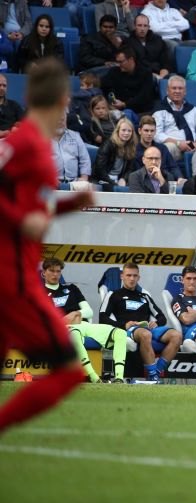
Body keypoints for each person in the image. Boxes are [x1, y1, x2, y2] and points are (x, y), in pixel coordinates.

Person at [0, 58, 96, 434]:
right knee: (70, 371)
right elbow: (24, 215)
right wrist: (20, 221)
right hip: (14, 280)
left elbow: (32, 208)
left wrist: (73, 204)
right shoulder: (24, 143)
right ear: (63, 98)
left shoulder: (26, 143)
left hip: (12, 271)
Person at [42, 258, 127, 384]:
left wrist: (76, 313)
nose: (55, 274)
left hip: (83, 324)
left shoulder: (71, 288)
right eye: (51, 271)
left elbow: (89, 311)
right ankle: (94, 377)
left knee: (121, 333)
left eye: (58, 271)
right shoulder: (39, 293)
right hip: (62, 328)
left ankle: (119, 377)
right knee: (74, 334)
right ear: (43, 273)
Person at [99, 262, 182, 382]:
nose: (132, 279)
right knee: (145, 334)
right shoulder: (113, 295)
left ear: (138, 277)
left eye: (134, 276)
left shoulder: (144, 296)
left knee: (177, 336)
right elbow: (102, 317)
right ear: (122, 276)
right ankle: (153, 375)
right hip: (129, 329)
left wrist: (157, 323)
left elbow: (162, 317)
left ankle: (156, 373)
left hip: (148, 329)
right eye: (128, 275)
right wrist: (123, 325)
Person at [153, 75, 196, 161]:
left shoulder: (193, 109)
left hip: (193, 146)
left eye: (180, 88)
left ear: (185, 91)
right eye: (174, 88)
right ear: (167, 90)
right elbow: (156, 135)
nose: (177, 91)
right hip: (173, 146)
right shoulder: (159, 109)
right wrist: (178, 143)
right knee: (166, 148)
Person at [102, 47, 154, 117]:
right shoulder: (114, 72)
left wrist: (124, 104)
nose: (118, 65)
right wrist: (111, 102)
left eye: (121, 62)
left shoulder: (146, 73)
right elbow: (104, 86)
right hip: (118, 111)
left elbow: (144, 96)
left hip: (141, 111)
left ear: (131, 59)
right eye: (117, 62)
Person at [92, 117, 139, 188]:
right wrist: (112, 182)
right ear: (117, 131)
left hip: (119, 179)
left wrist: (124, 179)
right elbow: (99, 169)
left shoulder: (131, 147)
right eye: (123, 130)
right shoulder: (108, 144)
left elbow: (130, 169)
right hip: (104, 179)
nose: (126, 133)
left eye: (129, 131)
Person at [133, 114, 182, 179]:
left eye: (152, 131)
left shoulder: (162, 148)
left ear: (155, 131)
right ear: (139, 131)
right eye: (146, 130)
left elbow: (173, 167)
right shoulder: (134, 151)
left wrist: (179, 178)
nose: (149, 134)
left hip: (166, 182)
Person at [124, 14, 170, 80]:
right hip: (140, 76)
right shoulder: (127, 42)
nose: (142, 29)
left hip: (160, 74)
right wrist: (151, 75)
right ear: (134, 26)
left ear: (148, 27)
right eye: (139, 25)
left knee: (174, 78)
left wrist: (161, 76)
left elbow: (166, 62)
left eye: (145, 26)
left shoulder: (158, 40)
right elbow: (131, 65)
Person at [53, 113, 92, 184]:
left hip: (74, 182)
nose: (59, 122)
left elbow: (85, 159)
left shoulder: (75, 136)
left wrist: (84, 177)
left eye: (62, 120)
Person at [0, 74, 23, 138]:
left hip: (11, 139)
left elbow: (24, 123)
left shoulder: (14, 105)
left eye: (4, 86)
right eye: (0, 85)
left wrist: (17, 126)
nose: (2, 88)